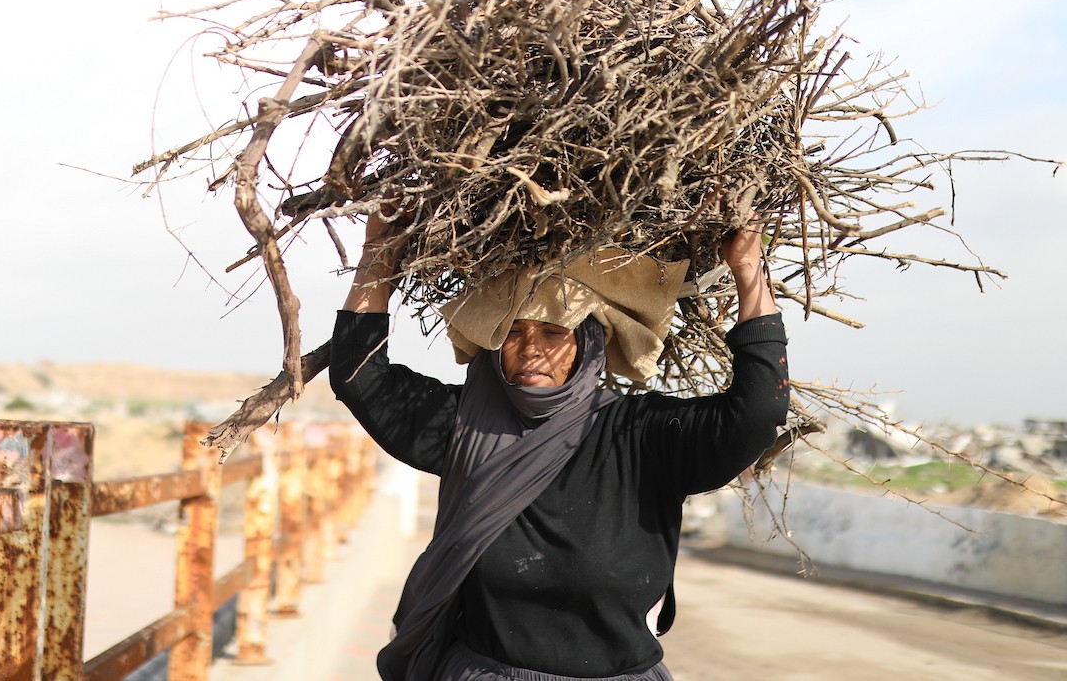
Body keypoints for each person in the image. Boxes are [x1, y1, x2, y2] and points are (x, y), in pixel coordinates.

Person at [329, 210, 789, 681]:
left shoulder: (642, 436)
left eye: (553, 332)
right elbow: (359, 375)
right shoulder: (465, 427)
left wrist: (747, 268)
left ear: (590, 343)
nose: (531, 349)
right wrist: (377, 252)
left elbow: (756, 412)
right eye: (512, 333)